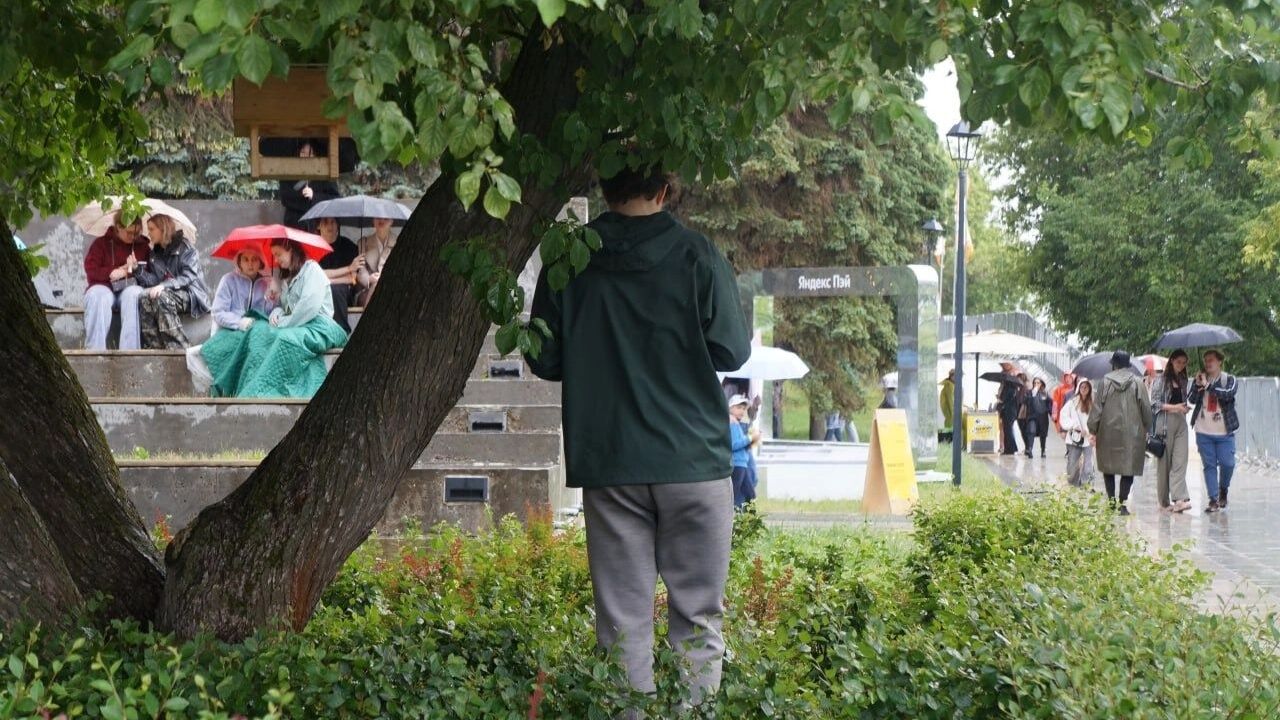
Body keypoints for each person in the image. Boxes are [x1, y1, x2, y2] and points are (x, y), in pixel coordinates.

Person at [524, 165, 750, 710]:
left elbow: (543, 356)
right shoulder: (698, 255)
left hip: (611, 461)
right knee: (698, 619)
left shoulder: (569, 259)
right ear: (664, 189)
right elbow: (733, 351)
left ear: (605, 188)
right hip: (694, 462)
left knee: (623, 625)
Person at [199, 238, 348, 398]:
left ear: (291, 250)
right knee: (262, 335)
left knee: (284, 339)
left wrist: (281, 321)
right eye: (273, 255)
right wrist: (276, 310)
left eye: (278, 254)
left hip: (319, 326)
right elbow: (282, 308)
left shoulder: (312, 269)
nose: (276, 260)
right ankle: (252, 383)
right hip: (294, 326)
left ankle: (265, 389)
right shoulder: (286, 278)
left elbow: (307, 309)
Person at [186, 248, 276, 394]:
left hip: (256, 331)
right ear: (239, 262)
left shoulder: (267, 284)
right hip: (230, 330)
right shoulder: (228, 280)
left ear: (261, 262)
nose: (250, 264)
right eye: (245, 260)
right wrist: (239, 322)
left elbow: (270, 315)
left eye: (254, 259)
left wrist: (272, 299)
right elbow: (218, 312)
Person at [1087, 351, 1153, 515]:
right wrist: (1147, 427)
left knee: (1108, 467)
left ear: (1113, 364)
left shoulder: (1105, 382)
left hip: (1107, 431)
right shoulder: (1138, 382)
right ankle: (1122, 505)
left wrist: (1092, 428)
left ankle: (1111, 502)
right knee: (1128, 468)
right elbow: (1146, 407)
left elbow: (1097, 408)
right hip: (1133, 432)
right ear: (1128, 365)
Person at [135, 215, 209, 349]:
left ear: (163, 228)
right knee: (143, 297)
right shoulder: (154, 254)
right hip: (169, 294)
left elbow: (188, 277)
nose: (149, 233)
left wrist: (163, 286)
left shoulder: (186, 248)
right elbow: (155, 281)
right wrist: (137, 271)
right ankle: (155, 348)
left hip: (191, 294)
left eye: (151, 229)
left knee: (162, 297)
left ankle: (180, 348)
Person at [82, 214, 150, 350]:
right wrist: (113, 271)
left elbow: (149, 276)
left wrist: (130, 271)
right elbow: (91, 270)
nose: (133, 237)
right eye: (129, 232)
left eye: (137, 233)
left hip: (130, 288)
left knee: (135, 294)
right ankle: (95, 352)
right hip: (104, 287)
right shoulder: (101, 244)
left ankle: (130, 352)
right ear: (118, 227)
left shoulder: (143, 247)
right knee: (97, 295)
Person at [1189, 348, 1239, 513]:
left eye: (1211, 360)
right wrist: (1197, 386)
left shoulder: (1229, 379)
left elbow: (1228, 394)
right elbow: (1191, 399)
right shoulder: (1201, 379)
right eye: (1206, 360)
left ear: (1219, 362)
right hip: (1203, 430)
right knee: (1209, 465)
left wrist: (1208, 386)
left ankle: (1223, 488)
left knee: (1228, 463)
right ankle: (1213, 499)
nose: (1208, 363)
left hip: (1224, 431)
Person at [1150, 350, 1192, 512]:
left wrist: (1183, 408)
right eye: (1179, 362)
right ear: (1172, 361)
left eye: (1184, 362)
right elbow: (1154, 404)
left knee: (1181, 460)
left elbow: (1184, 399)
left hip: (1181, 422)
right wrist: (1174, 407)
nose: (1181, 365)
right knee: (1164, 464)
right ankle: (1163, 501)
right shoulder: (1161, 380)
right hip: (1165, 423)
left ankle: (1179, 498)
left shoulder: (1183, 379)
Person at [315, 216, 363, 333]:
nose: (330, 226)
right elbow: (315, 275)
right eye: (325, 222)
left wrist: (326, 279)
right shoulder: (313, 246)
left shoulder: (349, 247)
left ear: (338, 225)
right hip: (317, 289)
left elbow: (351, 278)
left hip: (344, 293)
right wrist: (346, 271)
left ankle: (341, 331)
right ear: (318, 226)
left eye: (333, 222)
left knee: (335, 289)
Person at [278, 141, 341, 229]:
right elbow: (285, 197)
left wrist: (314, 196)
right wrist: (304, 199)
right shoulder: (289, 173)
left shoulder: (324, 176)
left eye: (311, 154)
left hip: (317, 226)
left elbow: (335, 199)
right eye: (303, 153)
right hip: (294, 225)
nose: (306, 157)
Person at [1058, 378, 1095, 487]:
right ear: (1078, 388)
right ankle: (1073, 485)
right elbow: (1064, 416)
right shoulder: (1072, 403)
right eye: (1082, 387)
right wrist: (1075, 426)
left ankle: (1086, 485)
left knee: (1089, 465)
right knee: (1072, 465)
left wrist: (1090, 431)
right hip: (1075, 439)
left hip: (1088, 439)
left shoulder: (1093, 404)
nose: (1084, 389)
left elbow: (1097, 419)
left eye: (1086, 387)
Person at [356, 217, 396, 306]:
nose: (381, 220)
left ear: (392, 221)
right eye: (378, 217)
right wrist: (369, 279)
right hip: (367, 290)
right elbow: (361, 270)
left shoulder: (400, 241)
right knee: (376, 285)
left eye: (386, 218)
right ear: (373, 221)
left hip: (393, 289)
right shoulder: (363, 242)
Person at [729, 395, 759, 508]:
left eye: (743, 408)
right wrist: (750, 438)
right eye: (738, 407)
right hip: (737, 464)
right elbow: (733, 445)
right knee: (735, 495)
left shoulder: (736, 423)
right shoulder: (732, 423)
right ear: (730, 408)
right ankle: (735, 520)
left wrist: (751, 441)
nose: (742, 411)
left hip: (742, 463)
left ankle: (750, 521)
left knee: (749, 495)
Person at [996, 361, 1021, 455]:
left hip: (1009, 410)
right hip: (1008, 410)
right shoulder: (1008, 386)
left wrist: (1001, 399)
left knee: (1008, 429)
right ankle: (1010, 448)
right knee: (1007, 429)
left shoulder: (1010, 386)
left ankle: (1010, 449)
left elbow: (1007, 397)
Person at [1026, 378, 1052, 458]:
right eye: (1035, 383)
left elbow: (1050, 403)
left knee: (1043, 434)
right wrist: (1032, 396)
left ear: (1041, 384)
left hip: (1043, 417)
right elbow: (1026, 402)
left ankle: (1043, 450)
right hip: (1032, 417)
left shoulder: (1045, 393)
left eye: (1038, 383)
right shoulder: (1030, 393)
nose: (1036, 384)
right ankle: (1030, 449)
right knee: (1031, 431)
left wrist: (1050, 412)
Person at [1015, 373, 1034, 458]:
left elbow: (1022, 400)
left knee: (1024, 431)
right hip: (1022, 413)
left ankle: (1028, 448)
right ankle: (1027, 448)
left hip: (1024, 413)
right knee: (1024, 431)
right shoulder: (1020, 388)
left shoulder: (1024, 388)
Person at [939, 369, 955, 444]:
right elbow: (950, 400)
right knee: (949, 427)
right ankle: (948, 443)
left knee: (948, 426)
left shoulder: (949, 384)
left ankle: (947, 443)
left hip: (948, 412)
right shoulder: (950, 385)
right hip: (949, 412)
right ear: (952, 376)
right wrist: (953, 413)